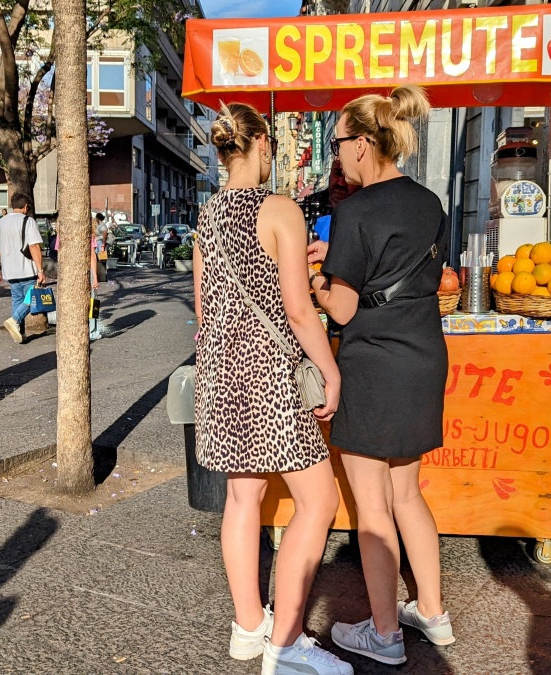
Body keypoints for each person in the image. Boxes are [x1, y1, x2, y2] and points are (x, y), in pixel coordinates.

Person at [194, 103, 350, 675]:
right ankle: (284, 648)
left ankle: (249, 627)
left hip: (220, 370)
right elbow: (300, 311)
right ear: (262, 143)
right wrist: (329, 370)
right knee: (319, 500)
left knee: (243, 499)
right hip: (268, 375)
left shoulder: (207, 218)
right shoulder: (279, 208)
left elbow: (204, 309)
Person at [307, 85, 453, 665]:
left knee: (373, 508)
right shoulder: (431, 204)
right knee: (408, 494)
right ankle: (433, 613)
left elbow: (342, 310)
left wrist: (316, 279)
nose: (336, 154)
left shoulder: (354, 210)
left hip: (371, 366)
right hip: (423, 359)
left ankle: (386, 632)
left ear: (364, 144)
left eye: (339, 143)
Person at [0, 193, 46, 344]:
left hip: (9, 270)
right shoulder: (28, 221)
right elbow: (34, 246)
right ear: (26, 206)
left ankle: (19, 333)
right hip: (27, 268)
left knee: (17, 299)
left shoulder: (1, 222)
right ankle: (15, 320)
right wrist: (40, 270)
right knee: (32, 299)